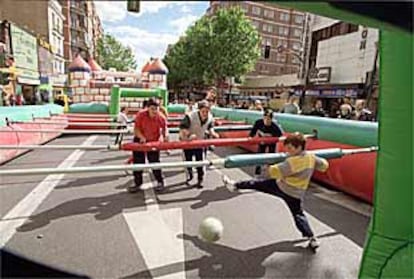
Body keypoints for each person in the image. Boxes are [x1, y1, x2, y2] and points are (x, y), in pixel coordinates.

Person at [222, 133, 329, 250]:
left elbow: (273, 172)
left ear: (299, 147)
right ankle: (312, 238)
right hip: (297, 194)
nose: (288, 151)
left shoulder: (292, 163)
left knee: (256, 184)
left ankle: (235, 185)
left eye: (290, 149)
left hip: (281, 187)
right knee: (298, 215)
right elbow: (324, 165)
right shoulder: (311, 157)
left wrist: (268, 164)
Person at [131, 98, 169, 193]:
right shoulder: (141, 115)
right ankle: (138, 183)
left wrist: (166, 138)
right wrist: (141, 137)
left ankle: (160, 181)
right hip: (140, 139)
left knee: (154, 161)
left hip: (153, 140)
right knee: (138, 162)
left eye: (156, 109)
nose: (155, 111)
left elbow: (165, 129)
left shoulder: (161, 117)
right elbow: (136, 129)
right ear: (147, 108)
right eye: (152, 109)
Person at [179, 100, 219, 188]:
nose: (205, 113)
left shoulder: (210, 117)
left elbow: (210, 127)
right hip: (188, 141)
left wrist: (213, 133)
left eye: (207, 111)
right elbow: (182, 127)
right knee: (188, 161)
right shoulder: (190, 116)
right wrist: (189, 134)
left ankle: (200, 179)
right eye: (203, 111)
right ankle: (190, 176)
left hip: (199, 141)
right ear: (199, 110)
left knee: (200, 161)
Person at [249, 109, 284, 177]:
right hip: (262, 141)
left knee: (271, 157)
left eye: (268, 119)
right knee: (259, 156)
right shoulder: (258, 122)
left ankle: (271, 173)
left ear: (271, 119)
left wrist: (269, 135)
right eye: (265, 118)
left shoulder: (275, 125)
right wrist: (251, 138)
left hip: (271, 142)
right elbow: (253, 132)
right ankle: (257, 173)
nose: (266, 121)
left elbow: (280, 134)